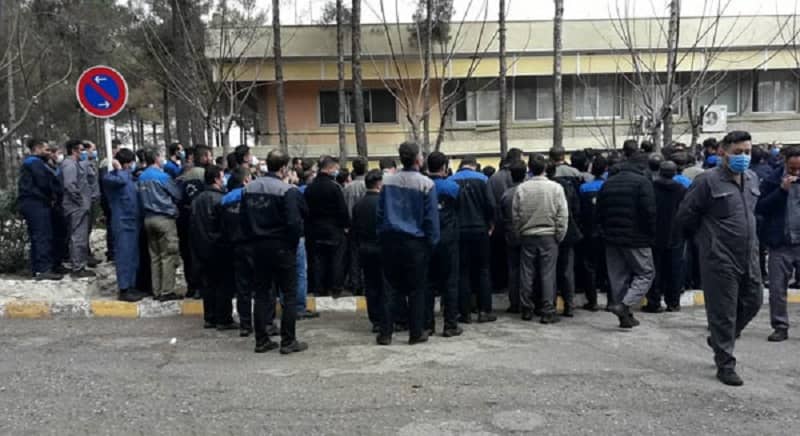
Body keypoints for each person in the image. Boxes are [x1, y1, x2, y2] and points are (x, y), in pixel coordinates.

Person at [676, 130, 762, 386]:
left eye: (747, 152)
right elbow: (685, 216)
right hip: (719, 258)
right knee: (723, 311)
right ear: (722, 152)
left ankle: (720, 339)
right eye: (738, 152)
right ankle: (725, 363)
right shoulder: (707, 181)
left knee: (754, 301)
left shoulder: (752, 178)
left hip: (749, 254)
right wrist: (705, 242)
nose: (743, 157)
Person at [242, 150, 308, 354]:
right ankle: (288, 341)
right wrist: (291, 244)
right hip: (281, 247)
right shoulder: (288, 190)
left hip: (257, 246)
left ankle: (261, 340)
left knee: (261, 293)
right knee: (288, 294)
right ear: (283, 168)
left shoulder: (249, 188)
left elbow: (243, 218)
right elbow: (295, 222)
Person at [376, 141, 440, 345]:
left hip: (390, 240)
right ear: (417, 159)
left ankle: (385, 333)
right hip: (415, 243)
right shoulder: (426, 184)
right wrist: (432, 242)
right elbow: (431, 218)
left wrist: (382, 236)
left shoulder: (387, 182)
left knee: (389, 288)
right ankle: (416, 332)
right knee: (416, 289)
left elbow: (380, 213)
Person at [596, 153, 656, 328]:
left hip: (611, 238)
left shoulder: (608, 183)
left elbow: (599, 212)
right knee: (646, 273)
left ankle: (624, 316)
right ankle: (625, 305)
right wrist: (650, 235)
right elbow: (649, 212)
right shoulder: (642, 183)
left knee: (618, 277)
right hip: (636, 238)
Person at [513, 155, 568, 324]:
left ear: (529, 168)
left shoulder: (521, 189)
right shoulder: (556, 188)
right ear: (545, 168)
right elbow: (562, 215)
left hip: (528, 234)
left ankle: (527, 309)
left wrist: (519, 234)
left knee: (527, 273)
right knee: (547, 274)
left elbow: (516, 216)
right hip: (549, 235)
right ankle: (548, 311)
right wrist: (559, 235)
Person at [756, 146, 800, 343]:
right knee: (777, 289)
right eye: (792, 169)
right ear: (785, 163)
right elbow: (761, 207)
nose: (796, 173)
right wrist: (781, 191)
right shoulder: (772, 180)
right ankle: (780, 326)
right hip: (780, 242)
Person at [190, 165, 236, 330]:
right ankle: (224, 318)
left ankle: (210, 317)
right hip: (219, 247)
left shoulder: (197, 200)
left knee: (208, 285)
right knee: (223, 285)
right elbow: (225, 226)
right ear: (217, 179)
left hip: (202, 247)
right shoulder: (221, 199)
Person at [451, 156, 496, 323]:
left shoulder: (451, 181)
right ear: (475, 166)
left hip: (459, 230)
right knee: (483, 269)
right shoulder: (483, 179)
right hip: (480, 229)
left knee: (462, 271)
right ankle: (484, 310)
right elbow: (491, 205)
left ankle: (465, 312)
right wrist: (491, 224)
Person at [137, 149, 184, 301]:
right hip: (164, 219)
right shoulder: (162, 176)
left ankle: (156, 290)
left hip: (148, 218)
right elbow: (177, 194)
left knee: (155, 256)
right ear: (156, 158)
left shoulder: (142, 177)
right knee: (168, 255)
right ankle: (167, 291)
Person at [426, 152, 463, 337]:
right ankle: (450, 325)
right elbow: (459, 210)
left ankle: (427, 325)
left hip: (427, 240)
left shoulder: (423, 186)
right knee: (450, 283)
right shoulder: (453, 187)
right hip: (448, 239)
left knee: (428, 283)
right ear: (444, 167)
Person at [103, 149, 147, 302]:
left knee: (133, 257)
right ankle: (124, 288)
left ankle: (131, 285)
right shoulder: (112, 177)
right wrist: (119, 169)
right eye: (130, 163)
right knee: (124, 256)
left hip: (133, 221)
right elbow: (118, 181)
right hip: (122, 221)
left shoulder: (129, 177)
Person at [17, 138, 63, 281]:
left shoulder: (35, 163)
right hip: (35, 203)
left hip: (33, 202)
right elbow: (44, 183)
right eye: (46, 149)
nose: (49, 153)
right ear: (37, 149)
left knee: (38, 235)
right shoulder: (34, 163)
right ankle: (43, 269)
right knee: (42, 235)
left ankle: (37, 267)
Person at [304, 156, 350, 296]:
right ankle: (335, 288)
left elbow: (306, 210)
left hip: (315, 229)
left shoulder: (310, 188)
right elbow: (342, 209)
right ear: (329, 168)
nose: (336, 171)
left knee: (318, 260)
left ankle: (319, 288)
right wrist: (346, 225)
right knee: (336, 259)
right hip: (334, 229)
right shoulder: (335, 187)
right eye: (335, 169)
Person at [645, 161, 687, 313]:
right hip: (675, 234)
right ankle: (673, 302)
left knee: (654, 269)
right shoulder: (681, 189)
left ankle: (654, 302)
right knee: (674, 269)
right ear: (675, 173)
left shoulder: (651, 188)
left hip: (655, 235)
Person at [547, 161, 583, 318]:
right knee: (567, 271)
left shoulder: (547, 187)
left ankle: (550, 304)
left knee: (549, 271)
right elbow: (576, 209)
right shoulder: (566, 186)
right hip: (567, 232)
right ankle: (569, 305)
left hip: (548, 232)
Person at [352, 170, 385, 334]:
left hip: (365, 249)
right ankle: (387, 317)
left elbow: (355, 231)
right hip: (382, 248)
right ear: (379, 184)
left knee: (371, 285)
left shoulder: (359, 205)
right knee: (385, 284)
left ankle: (376, 320)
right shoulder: (384, 203)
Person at [177, 145, 212, 299]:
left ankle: (191, 286)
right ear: (203, 157)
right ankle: (201, 287)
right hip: (199, 220)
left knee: (187, 255)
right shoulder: (205, 174)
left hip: (183, 218)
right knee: (199, 253)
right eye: (209, 155)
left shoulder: (183, 175)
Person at [488, 148, 524, 294]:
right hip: (520, 226)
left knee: (501, 260)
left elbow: (490, 203)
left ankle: (501, 286)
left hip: (499, 225)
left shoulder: (493, 179)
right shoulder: (522, 178)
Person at [578, 155, 609, 311]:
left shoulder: (584, 188)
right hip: (607, 232)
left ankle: (592, 301)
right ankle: (612, 300)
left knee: (589, 266)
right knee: (609, 265)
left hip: (589, 231)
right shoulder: (609, 186)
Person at [60, 139, 95, 278]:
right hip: (76, 207)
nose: (83, 153)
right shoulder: (70, 165)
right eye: (81, 150)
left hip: (79, 205)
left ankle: (80, 264)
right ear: (74, 150)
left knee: (80, 236)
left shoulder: (75, 164)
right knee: (78, 237)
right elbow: (70, 185)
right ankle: (77, 267)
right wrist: (81, 201)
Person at [498, 160, 527, 314]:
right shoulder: (527, 191)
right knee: (529, 269)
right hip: (527, 233)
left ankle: (514, 303)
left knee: (514, 269)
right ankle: (528, 301)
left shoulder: (506, 194)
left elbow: (502, 215)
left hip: (511, 235)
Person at [344, 156, 368, 295]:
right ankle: (365, 282)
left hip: (351, 225)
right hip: (366, 225)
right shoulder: (368, 185)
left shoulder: (348, 188)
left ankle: (355, 283)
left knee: (354, 257)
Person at [99, 139, 121, 262]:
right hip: (108, 199)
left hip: (107, 198)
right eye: (118, 148)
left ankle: (112, 250)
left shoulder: (106, 162)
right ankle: (112, 251)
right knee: (112, 225)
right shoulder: (107, 163)